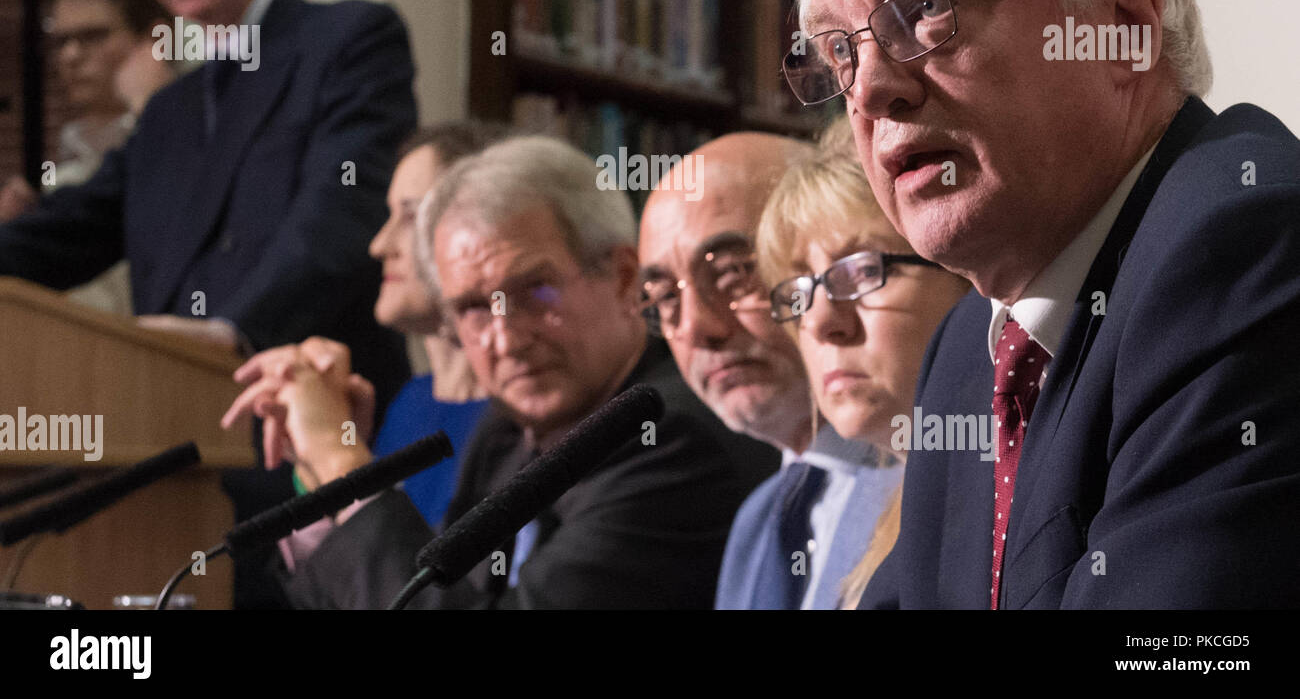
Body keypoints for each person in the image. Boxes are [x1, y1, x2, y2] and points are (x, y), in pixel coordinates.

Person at [777, 0, 1300, 608]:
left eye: (926, 8)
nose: (872, 91)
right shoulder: (965, 352)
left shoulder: (1245, 245)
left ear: (1124, 26)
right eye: (839, 52)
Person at [0, 0, 417, 607]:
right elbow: (62, 233)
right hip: (171, 464)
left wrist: (232, 333)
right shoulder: (167, 115)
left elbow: (339, 214)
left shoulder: (349, 40)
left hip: (312, 457)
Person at [225, 135, 775, 609]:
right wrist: (319, 473)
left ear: (623, 278)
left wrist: (341, 462)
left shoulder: (670, 438)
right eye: (472, 308)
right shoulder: (505, 432)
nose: (507, 338)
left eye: (535, 292)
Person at [640, 132, 895, 609]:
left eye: (735, 273)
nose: (698, 328)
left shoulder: (945, 481)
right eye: (665, 299)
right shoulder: (754, 525)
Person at [224, 123, 503, 533]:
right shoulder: (410, 401)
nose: (378, 244)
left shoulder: (524, 415)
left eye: (409, 217)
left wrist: (335, 453)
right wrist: (313, 457)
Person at [755, 116, 970, 607]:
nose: (823, 321)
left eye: (862, 270)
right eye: (801, 288)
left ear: (969, 275)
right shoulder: (850, 512)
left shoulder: (1010, 499)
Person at [0, 0, 173, 316]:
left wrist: (155, 112)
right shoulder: (61, 181)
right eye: (61, 41)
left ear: (155, 40)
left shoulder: (193, 146)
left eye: (92, 36)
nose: (71, 55)